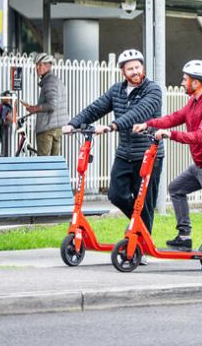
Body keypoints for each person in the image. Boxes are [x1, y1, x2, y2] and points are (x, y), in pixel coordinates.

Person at [133, 60, 202, 272]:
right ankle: (184, 236)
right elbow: (175, 117)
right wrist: (149, 124)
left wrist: (170, 135)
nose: (182, 82)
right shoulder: (195, 101)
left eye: (185, 79)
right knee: (176, 188)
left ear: (196, 82)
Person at [62, 49, 164, 236]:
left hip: (148, 154)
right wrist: (72, 123)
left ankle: (140, 244)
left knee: (145, 203)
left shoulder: (153, 90)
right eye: (130, 68)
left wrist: (112, 126)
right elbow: (96, 108)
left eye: (137, 67)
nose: (135, 72)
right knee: (116, 195)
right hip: (125, 154)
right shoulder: (117, 90)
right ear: (123, 72)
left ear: (143, 68)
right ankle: (139, 229)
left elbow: (138, 113)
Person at [25, 53, 68, 156]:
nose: (37, 68)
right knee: (54, 162)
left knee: (44, 162)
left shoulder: (49, 82)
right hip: (56, 128)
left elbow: (52, 104)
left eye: (40, 65)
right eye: (36, 65)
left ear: (48, 66)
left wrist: (35, 108)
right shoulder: (56, 81)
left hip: (47, 129)